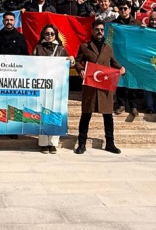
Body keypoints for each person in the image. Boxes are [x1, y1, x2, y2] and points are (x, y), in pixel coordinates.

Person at [74, 20, 124, 154]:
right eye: (97, 29)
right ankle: (82, 143)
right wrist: (80, 70)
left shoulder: (108, 48)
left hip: (104, 87)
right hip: (90, 86)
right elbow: (77, 61)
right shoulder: (85, 46)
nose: (99, 32)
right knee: (86, 115)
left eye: (102, 30)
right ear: (93, 31)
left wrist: (120, 68)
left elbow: (113, 62)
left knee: (108, 116)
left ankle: (110, 143)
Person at [32, 24, 73, 154]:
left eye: (52, 34)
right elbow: (32, 65)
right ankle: (43, 143)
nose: (49, 36)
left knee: (56, 112)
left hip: (57, 86)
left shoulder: (62, 50)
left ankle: (53, 143)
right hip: (43, 86)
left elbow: (68, 66)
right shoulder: (38, 48)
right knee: (43, 113)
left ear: (56, 35)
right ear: (43, 35)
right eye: (47, 33)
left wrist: (71, 60)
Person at [111, 1, 140, 117]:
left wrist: (143, 30)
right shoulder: (114, 24)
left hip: (132, 57)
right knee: (120, 81)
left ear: (129, 9)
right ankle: (121, 104)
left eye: (125, 8)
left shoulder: (137, 23)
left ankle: (133, 106)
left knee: (132, 82)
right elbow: (110, 37)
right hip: (119, 55)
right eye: (121, 8)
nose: (123, 11)